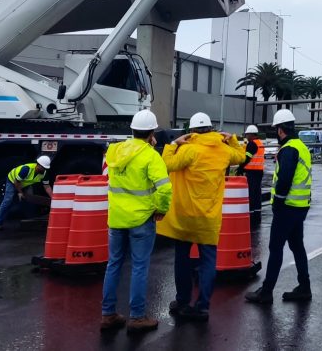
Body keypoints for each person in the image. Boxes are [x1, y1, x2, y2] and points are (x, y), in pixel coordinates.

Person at [158, 111, 247, 322]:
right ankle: (203, 306)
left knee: (183, 259)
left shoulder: (188, 150)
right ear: (211, 129)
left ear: (192, 131)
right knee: (208, 261)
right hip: (209, 217)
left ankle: (182, 301)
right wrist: (232, 138)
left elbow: (167, 164)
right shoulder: (223, 151)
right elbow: (241, 156)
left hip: (186, 216)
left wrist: (173, 144)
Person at [100, 109, 172, 333]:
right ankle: (137, 317)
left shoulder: (114, 151)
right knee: (139, 267)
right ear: (152, 132)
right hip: (141, 219)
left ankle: (108, 314)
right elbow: (164, 188)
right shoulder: (151, 155)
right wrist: (160, 209)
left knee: (113, 264)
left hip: (116, 218)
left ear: (132, 130)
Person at [245, 109, 312, 305]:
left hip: (287, 207)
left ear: (281, 130)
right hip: (300, 207)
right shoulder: (301, 146)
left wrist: (278, 203)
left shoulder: (289, 149)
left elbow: (285, 180)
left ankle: (266, 292)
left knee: (276, 248)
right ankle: (304, 287)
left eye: (276, 129)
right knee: (297, 246)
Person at [0, 155, 53, 229]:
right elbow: (16, 182)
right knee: (8, 200)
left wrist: (53, 198)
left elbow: (47, 187)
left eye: (45, 168)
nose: (44, 170)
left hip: (25, 184)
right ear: (38, 164)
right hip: (12, 181)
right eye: (43, 167)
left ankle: (29, 220)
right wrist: (20, 193)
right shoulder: (26, 169)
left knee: (30, 199)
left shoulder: (44, 173)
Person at [241, 124, 265, 218]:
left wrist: (241, 168)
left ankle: (251, 211)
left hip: (251, 171)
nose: (246, 136)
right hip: (259, 171)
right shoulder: (260, 143)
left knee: (251, 192)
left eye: (247, 134)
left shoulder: (252, 144)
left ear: (251, 134)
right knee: (257, 191)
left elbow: (247, 158)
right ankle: (257, 210)